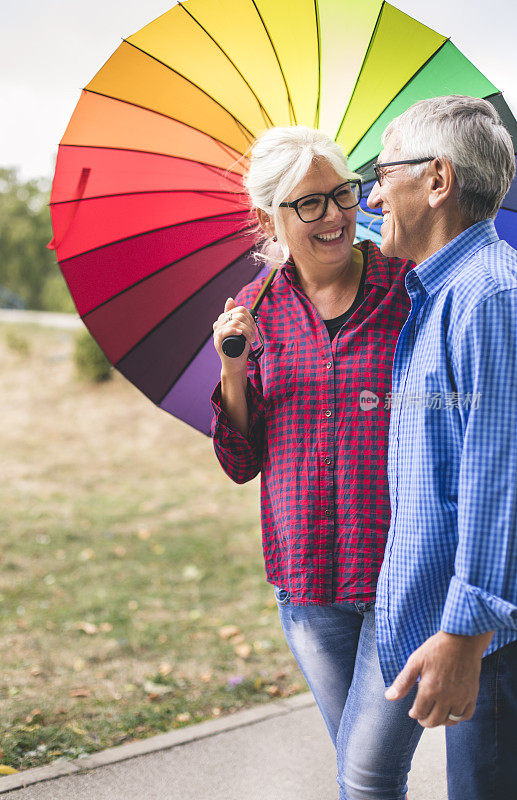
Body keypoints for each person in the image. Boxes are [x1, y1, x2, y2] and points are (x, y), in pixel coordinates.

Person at [211, 125, 420, 800]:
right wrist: (232, 369)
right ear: (270, 216)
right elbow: (241, 461)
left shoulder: (409, 290)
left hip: (399, 575)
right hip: (304, 580)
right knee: (362, 773)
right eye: (309, 203)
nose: (334, 215)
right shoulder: (255, 312)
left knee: (364, 776)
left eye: (341, 193)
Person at [367, 95, 517, 800]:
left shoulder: (487, 298)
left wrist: (464, 634)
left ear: (436, 180)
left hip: (494, 646)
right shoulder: (443, 294)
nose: (370, 194)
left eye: (380, 171)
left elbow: (500, 479)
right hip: (482, 637)